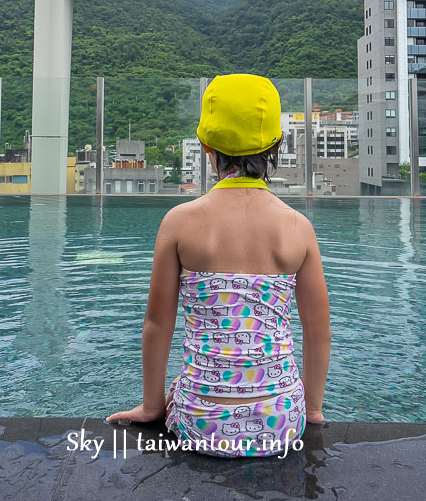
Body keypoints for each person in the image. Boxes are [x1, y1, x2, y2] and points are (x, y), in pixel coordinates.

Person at [106, 73, 331, 458]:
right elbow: (318, 330)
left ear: (205, 144)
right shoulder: (298, 227)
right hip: (281, 424)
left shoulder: (179, 222)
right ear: (277, 143)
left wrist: (151, 407)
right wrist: (311, 410)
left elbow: (158, 324)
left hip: (199, 422)